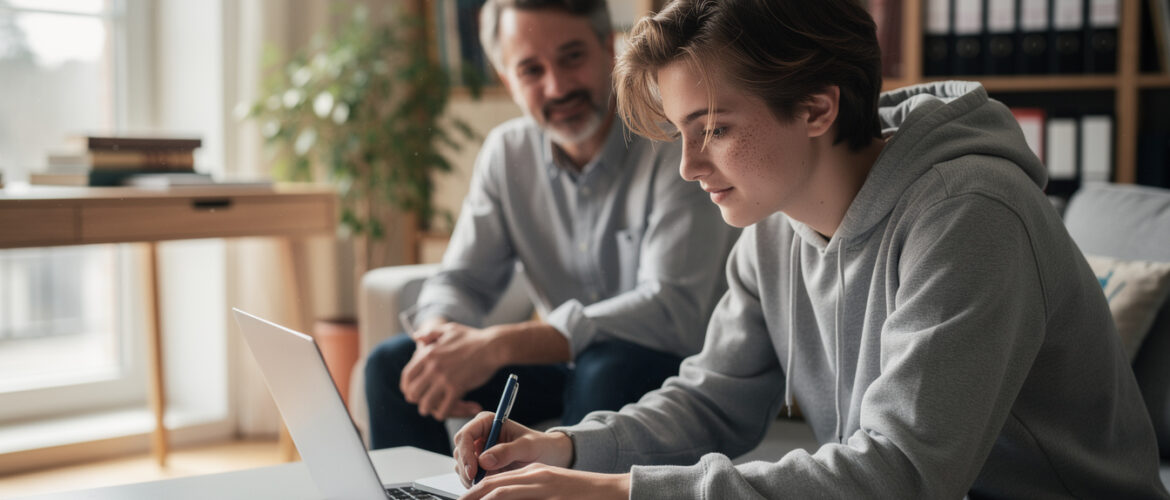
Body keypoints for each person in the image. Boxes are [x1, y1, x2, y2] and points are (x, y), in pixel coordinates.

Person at [450, 0, 1170, 497]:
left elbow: (900, 477)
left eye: (715, 129)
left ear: (818, 107)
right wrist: (565, 449)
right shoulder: (770, 225)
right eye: (681, 133)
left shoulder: (968, 214)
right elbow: (712, 403)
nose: (689, 168)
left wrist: (615, 493)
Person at [362, 0, 739, 455]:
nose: (557, 86)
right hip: (567, 365)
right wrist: (436, 340)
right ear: (507, 80)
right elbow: (463, 280)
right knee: (394, 366)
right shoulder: (507, 154)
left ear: (609, 49)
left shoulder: (673, 141)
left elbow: (671, 309)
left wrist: (499, 345)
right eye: (530, 70)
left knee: (607, 366)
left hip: (673, 372)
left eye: (572, 57)